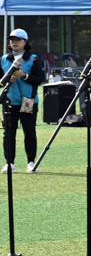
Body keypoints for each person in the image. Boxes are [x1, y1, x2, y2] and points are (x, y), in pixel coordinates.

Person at [3, 28, 47, 172]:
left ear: (25, 42)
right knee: (9, 133)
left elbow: (40, 79)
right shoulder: (4, 59)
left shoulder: (34, 59)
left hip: (29, 102)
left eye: (18, 40)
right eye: (12, 40)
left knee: (29, 132)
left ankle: (31, 162)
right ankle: (10, 163)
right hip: (9, 102)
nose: (14, 43)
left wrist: (24, 76)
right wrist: (6, 79)